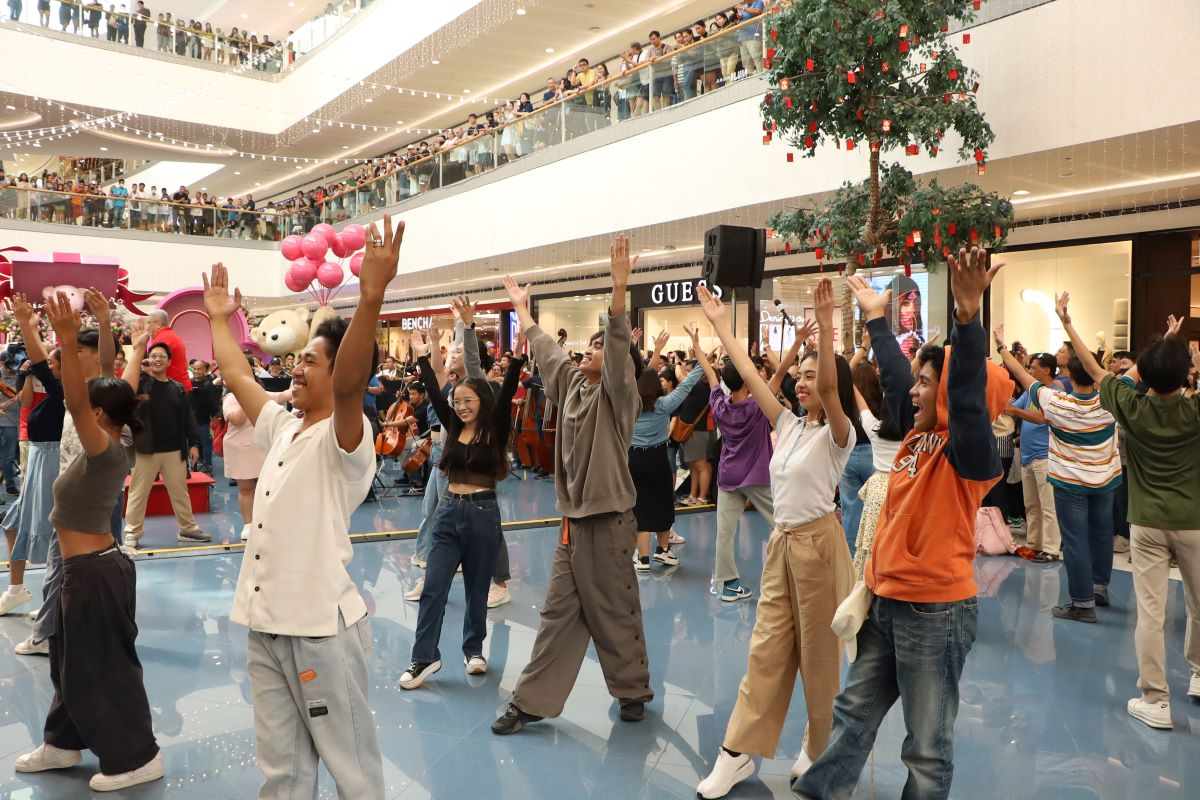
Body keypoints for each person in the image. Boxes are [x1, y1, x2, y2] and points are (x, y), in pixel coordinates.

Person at [796, 248, 1015, 800]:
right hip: (888, 600)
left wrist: (968, 319)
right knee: (852, 719)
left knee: (925, 748)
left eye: (926, 383)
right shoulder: (917, 438)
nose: (911, 391)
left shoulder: (971, 453)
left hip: (935, 613)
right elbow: (895, 383)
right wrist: (874, 318)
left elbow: (964, 399)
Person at [199, 217, 400, 798]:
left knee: (353, 767)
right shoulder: (284, 428)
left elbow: (353, 379)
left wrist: (372, 298)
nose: (297, 366)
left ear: (337, 373)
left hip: (318, 628)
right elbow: (237, 374)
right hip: (264, 622)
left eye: (311, 360)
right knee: (281, 769)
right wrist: (218, 320)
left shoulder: (347, 439)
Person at [696, 278, 858, 799]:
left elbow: (834, 392)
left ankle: (818, 745)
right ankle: (736, 751)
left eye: (813, 375)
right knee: (764, 650)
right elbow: (747, 372)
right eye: (802, 375)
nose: (805, 382)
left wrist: (829, 328)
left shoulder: (839, 435)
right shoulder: (785, 424)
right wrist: (721, 325)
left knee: (820, 659)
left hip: (820, 546)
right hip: (783, 547)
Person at [492, 236, 650, 735]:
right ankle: (531, 700)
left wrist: (619, 292)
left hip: (610, 521)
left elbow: (621, 353)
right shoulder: (573, 387)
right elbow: (548, 353)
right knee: (558, 612)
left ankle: (631, 690)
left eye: (600, 346)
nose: (592, 348)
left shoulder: (619, 397)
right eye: (593, 342)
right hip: (571, 525)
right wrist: (524, 313)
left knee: (615, 610)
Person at [13, 291, 162, 792]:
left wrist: (70, 336)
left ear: (98, 415)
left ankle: (139, 756)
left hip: (94, 573)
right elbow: (117, 387)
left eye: (88, 408)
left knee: (107, 668)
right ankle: (63, 740)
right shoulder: (115, 434)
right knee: (68, 661)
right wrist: (129, 347)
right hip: (86, 570)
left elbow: (78, 398)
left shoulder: (102, 448)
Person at [1059, 300, 1200, 728]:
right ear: (1186, 374)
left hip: (1146, 525)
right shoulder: (1195, 411)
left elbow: (1098, 370)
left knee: (1151, 615)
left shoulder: (1130, 407)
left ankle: (1156, 700)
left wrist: (1067, 321)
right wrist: (1175, 348)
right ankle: (1199, 674)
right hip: (1194, 522)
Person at [398, 330, 525, 688]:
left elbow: (505, 396)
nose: (461, 406)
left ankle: (473, 650)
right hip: (449, 511)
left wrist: (514, 363)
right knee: (434, 588)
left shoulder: (495, 429)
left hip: (483, 513)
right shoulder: (452, 423)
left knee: (476, 589)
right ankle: (423, 658)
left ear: (482, 401)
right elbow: (437, 396)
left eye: (468, 400)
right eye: (457, 401)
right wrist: (423, 358)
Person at [994, 322, 1121, 623]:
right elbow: (1132, 374)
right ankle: (1100, 587)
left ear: (1068, 374)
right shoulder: (1111, 400)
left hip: (1070, 484)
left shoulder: (1056, 402)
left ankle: (1082, 602)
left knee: (1075, 540)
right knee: (1102, 534)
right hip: (1105, 481)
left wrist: (1001, 346)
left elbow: (1024, 377)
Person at [0, 295, 65, 618]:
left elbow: (41, 364)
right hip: (39, 459)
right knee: (13, 523)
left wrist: (29, 326)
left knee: (51, 532)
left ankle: (54, 601)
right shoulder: (51, 388)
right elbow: (35, 375)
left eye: (54, 364)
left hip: (51, 461)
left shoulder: (67, 392)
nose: (47, 368)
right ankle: (15, 589)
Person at [120, 323, 208, 547]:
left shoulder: (178, 389)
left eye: (162, 356)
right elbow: (127, 385)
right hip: (146, 449)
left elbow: (189, 419)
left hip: (174, 450)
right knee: (139, 493)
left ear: (170, 362)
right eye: (154, 355)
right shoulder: (142, 384)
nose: (158, 359)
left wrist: (194, 443)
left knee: (180, 492)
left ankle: (187, 529)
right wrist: (139, 354)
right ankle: (133, 532)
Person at [630, 328, 703, 571]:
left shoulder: (629, 404)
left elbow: (635, 377)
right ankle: (663, 551)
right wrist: (700, 356)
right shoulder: (664, 404)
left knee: (640, 506)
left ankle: (642, 558)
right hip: (659, 458)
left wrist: (652, 350)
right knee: (662, 502)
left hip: (634, 459)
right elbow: (689, 383)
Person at [1007, 352, 1061, 563]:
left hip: (1045, 457)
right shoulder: (1031, 392)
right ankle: (1034, 544)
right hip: (1028, 457)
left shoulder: (1054, 393)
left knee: (1048, 506)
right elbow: (1012, 409)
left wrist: (1013, 410)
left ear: (1046, 370)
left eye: (1033, 367)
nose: (1028, 371)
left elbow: (1041, 418)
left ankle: (1051, 549)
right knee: (1031, 505)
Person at [145, 309, 192, 390]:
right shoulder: (171, 336)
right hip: (179, 387)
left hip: (174, 390)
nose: (147, 326)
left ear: (158, 324)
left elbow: (154, 367)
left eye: (149, 323)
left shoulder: (162, 339)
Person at [189, 359, 220, 474]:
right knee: (191, 443)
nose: (196, 371)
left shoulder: (208, 383)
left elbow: (212, 401)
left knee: (205, 442)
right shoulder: (189, 382)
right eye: (195, 369)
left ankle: (208, 464)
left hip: (203, 419)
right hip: (190, 419)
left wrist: (214, 414)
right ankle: (194, 463)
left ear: (204, 370)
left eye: (199, 369)